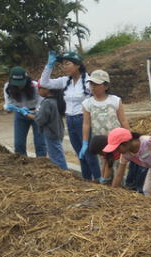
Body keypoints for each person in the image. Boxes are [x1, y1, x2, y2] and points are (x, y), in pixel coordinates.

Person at [40, 51, 101, 181]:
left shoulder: (87, 81)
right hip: (70, 120)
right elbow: (44, 83)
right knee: (80, 154)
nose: (64, 67)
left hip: (84, 120)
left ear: (78, 65)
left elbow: (96, 99)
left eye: (67, 63)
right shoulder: (65, 81)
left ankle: (99, 180)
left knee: (89, 155)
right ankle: (87, 181)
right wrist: (49, 65)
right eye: (62, 64)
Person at [80, 70, 129, 183]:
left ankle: (119, 186)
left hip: (117, 141)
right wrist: (85, 142)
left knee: (118, 164)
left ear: (106, 86)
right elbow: (86, 124)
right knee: (105, 163)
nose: (93, 87)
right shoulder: (88, 103)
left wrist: (128, 136)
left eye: (96, 84)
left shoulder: (115, 101)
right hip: (101, 142)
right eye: (91, 84)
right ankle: (106, 184)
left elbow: (123, 120)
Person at [103, 128, 151, 196]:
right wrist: (113, 192)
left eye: (117, 149)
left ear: (125, 143)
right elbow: (119, 175)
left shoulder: (146, 141)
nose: (117, 151)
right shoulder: (126, 155)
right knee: (146, 189)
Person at [3, 66, 46, 157]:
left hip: (36, 114)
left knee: (40, 143)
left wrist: (34, 112)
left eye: (21, 83)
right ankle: (22, 164)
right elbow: (7, 104)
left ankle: (41, 164)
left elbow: (42, 102)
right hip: (20, 115)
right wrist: (14, 109)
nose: (19, 86)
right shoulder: (8, 87)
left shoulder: (34, 86)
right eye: (16, 83)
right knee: (19, 144)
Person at [33, 83, 67, 170]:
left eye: (39, 88)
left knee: (56, 157)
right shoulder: (57, 100)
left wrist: (28, 114)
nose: (38, 91)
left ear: (46, 89)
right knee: (57, 153)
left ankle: (64, 173)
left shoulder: (47, 102)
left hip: (50, 132)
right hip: (58, 131)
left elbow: (40, 120)